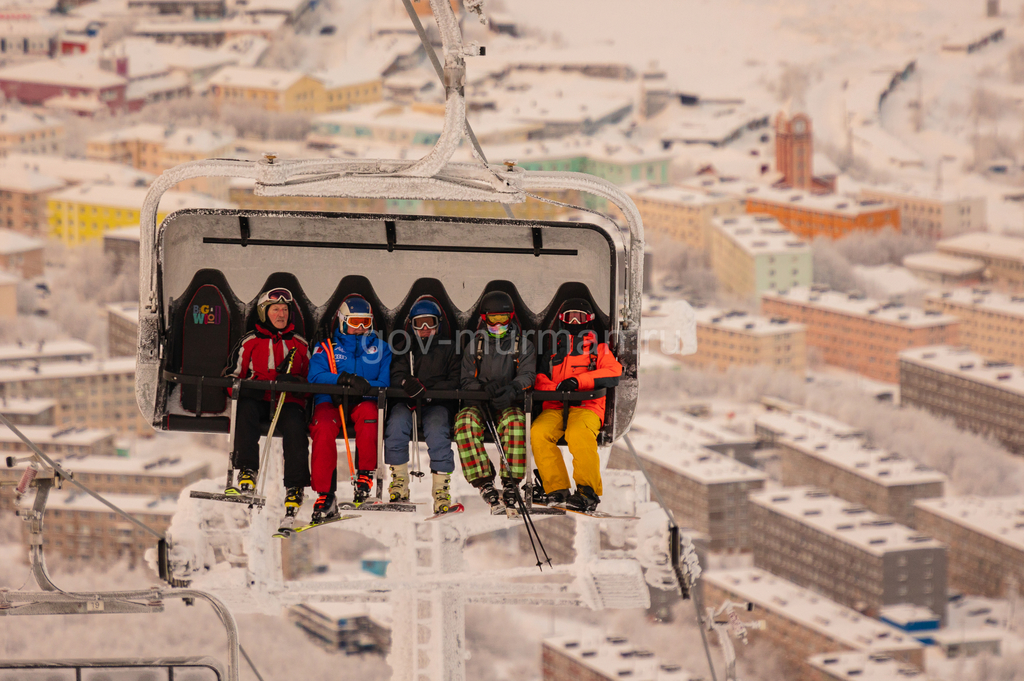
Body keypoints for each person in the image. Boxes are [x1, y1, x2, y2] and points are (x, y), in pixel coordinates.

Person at [224, 288, 310, 521]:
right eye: (275, 310)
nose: (281, 314)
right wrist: (244, 387)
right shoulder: (250, 342)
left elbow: (313, 379)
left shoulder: (299, 344)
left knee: (295, 427)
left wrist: (295, 382)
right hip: (258, 399)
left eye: (284, 310)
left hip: (287, 401)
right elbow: (232, 376)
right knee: (246, 411)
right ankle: (247, 469)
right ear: (264, 313)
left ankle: (295, 486)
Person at [531, 298, 622, 512]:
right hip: (555, 406)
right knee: (538, 432)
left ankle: (587, 492)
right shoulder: (554, 350)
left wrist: (579, 382)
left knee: (578, 433)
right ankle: (556, 488)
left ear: (589, 321)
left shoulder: (599, 349)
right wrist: (556, 390)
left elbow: (613, 372)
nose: (574, 321)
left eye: (579, 317)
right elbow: (540, 378)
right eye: (569, 317)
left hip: (586, 407)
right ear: (562, 321)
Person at [308, 294, 392, 519]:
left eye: (366, 322)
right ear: (343, 321)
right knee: (323, 427)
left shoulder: (381, 348)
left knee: (369, 414)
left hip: (363, 402)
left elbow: (384, 382)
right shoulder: (326, 348)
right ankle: (325, 493)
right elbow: (315, 376)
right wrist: (343, 380)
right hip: (331, 402)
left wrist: (361, 387)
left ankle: (365, 474)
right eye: (355, 323)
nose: (361, 328)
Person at [454, 291, 536, 513]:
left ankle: (511, 482)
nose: (498, 323)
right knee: (464, 424)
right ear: (484, 318)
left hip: (507, 402)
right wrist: (481, 388)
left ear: (511, 318)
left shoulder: (523, 344)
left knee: (516, 423)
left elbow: (528, 374)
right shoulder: (475, 345)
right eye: (493, 319)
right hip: (480, 403)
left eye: (503, 318)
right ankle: (483, 481)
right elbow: (465, 379)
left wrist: (514, 388)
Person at [385, 297, 461, 514]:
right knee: (397, 423)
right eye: (420, 324)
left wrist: (430, 389)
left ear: (438, 325)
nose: (425, 329)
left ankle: (441, 490)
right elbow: (395, 374)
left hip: (436, 404)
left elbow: (456, 379)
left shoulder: (450, 348)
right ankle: (399, 481)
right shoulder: (403, 348)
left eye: (430, 323)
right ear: (412, 326)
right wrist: (404, 383)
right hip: (408, 402)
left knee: (438, 429)